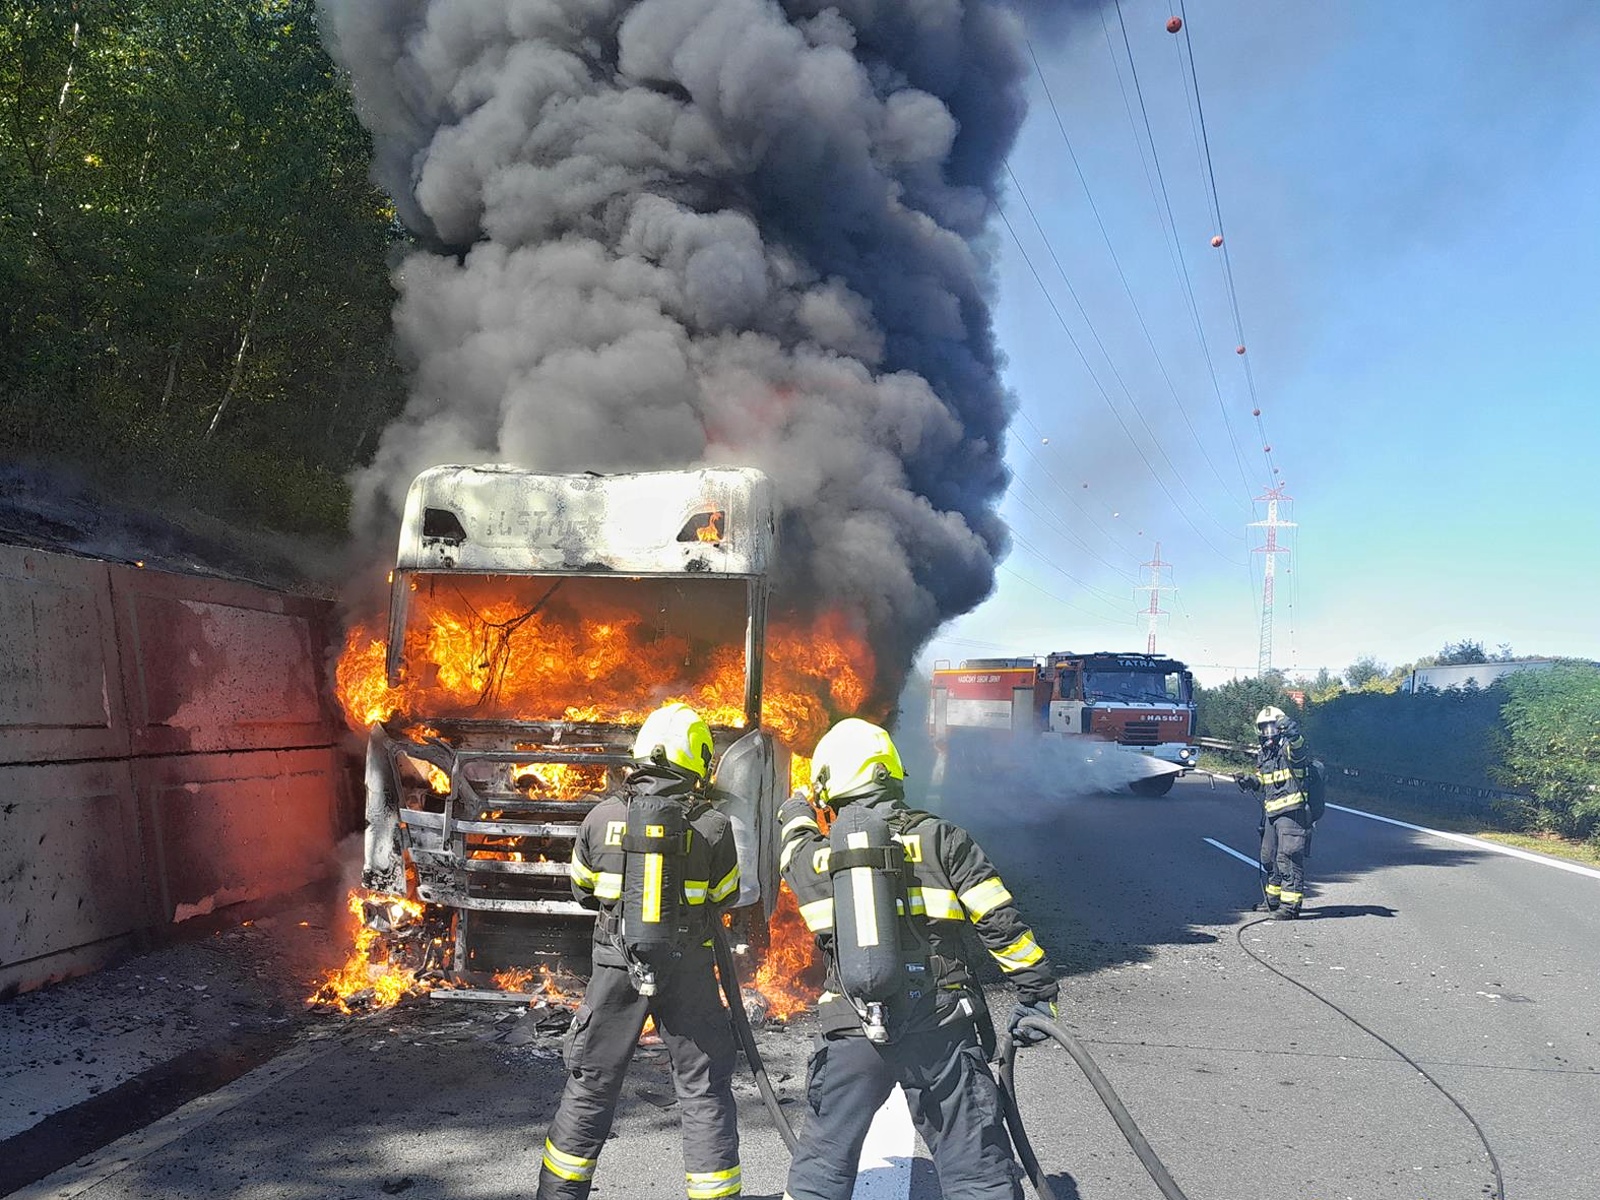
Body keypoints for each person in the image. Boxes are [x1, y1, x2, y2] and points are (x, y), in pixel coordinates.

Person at [776, 718, 1059, 1200]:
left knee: (822, 1167)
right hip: (940, 1024)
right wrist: (1036, 994)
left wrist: (797, 810)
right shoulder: (943, 839)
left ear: (833, 786)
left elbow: (794, 849)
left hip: (853, 1028)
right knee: (977, 1172)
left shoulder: (820, 857)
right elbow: (999, 924)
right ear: (890, 772)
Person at [536, 702, 744, 1200]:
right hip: (689, 970)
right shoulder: (714, 827)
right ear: (696, 759)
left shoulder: (601, 816)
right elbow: (727, 895)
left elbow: (583, 891)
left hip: (615, 967)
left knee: (590, 1085)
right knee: (703, 1088)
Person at [1235, 705, 1314, 919]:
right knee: (1268, 858)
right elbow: (1265, 783)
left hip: (1292, 812)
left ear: (1280, 727)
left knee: (1287, 858)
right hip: (1272, 813)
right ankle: (1272, 901)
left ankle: (1290, 908)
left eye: (1272, 727)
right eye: (1264, 728)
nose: (1268, 732)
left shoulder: (1290, 747)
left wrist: (1293, 733)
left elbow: (1300, 750)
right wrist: (1250, 781)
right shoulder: (1265, 754)